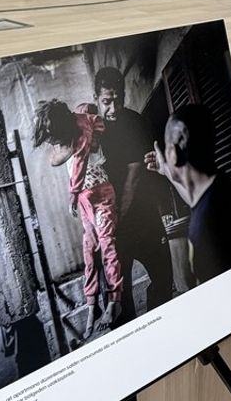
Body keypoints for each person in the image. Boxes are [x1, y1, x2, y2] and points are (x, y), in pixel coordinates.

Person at [149, 104, 231, 285]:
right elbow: (195, 200)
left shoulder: (205, 231)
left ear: (173, 153)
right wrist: (167, 170)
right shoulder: (227, 190)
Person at [92, 67, 175, 324]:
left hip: (142, 217)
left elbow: (133, 177)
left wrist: (116, 219)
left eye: (118, 99)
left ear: (125, 94)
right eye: (106, 102)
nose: (114, 107)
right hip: (112, 226)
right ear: (96, 98)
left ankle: (158, 329)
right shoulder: (93, 126)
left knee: (163, 279)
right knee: (118, 297)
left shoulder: (136, 123)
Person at [33, 99, 123, 337]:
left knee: (107, 245)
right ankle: (92, 304)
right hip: (86, 200)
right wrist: (77, 198)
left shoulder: (83, 130)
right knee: (89, 253)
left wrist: (72, 196)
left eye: (52, 136)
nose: (51, 142)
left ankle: (115, 300)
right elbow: (56, 159)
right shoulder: (68, 134)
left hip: (101, 193)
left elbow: (80, 167)